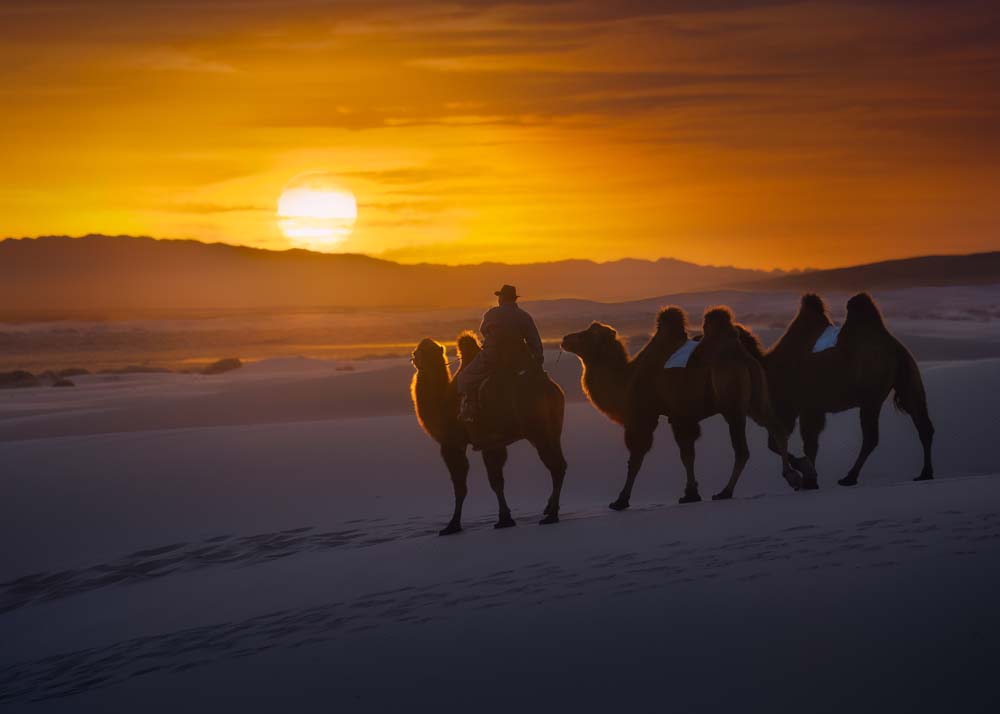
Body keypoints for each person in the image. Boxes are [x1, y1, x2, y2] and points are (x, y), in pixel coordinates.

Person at [457, 284, 544, 422]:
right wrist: (538, 358)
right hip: (518, 359)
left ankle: (469, 409)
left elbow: (483, 331)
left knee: (464, 377)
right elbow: (534, 340)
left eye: (499, 297)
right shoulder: (524, 316)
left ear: (502, 298)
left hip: (492, 356)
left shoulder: (491, 314)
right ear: (514, 299)